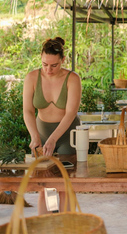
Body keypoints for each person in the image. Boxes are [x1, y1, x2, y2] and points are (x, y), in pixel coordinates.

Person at [23, 37, 82, 214]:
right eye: (44, 64)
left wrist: (53, 139)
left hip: (66, 134)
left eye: (54, 65)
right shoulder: (32, 77)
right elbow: (27, 111)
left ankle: (65, 227)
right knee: (45, 187)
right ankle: (46, 228)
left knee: (64, 186)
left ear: (62, 60)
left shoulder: (72, 79)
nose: (48, 69)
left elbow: (71, 113)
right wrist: (35, 136)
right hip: (41, 133)